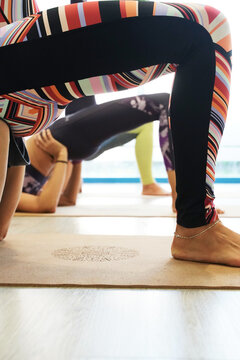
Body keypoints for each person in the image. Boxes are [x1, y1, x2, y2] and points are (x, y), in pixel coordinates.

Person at [0, 0, 239, 267]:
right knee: (207, 30)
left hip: (31, 101)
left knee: (203, 35)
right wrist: (60, 157)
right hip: (31, 99)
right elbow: (45, 206)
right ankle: (195, 221)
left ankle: (192, 215)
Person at [17, 92, 175, 212]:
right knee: (161, 103)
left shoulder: (8, 190)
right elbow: (47, 206)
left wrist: (74, 159)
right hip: (65, 139)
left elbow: (68, 200)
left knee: (78, 82)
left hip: (70, 144)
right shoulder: (6, 197)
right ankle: (179, 196)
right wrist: (62, 156)